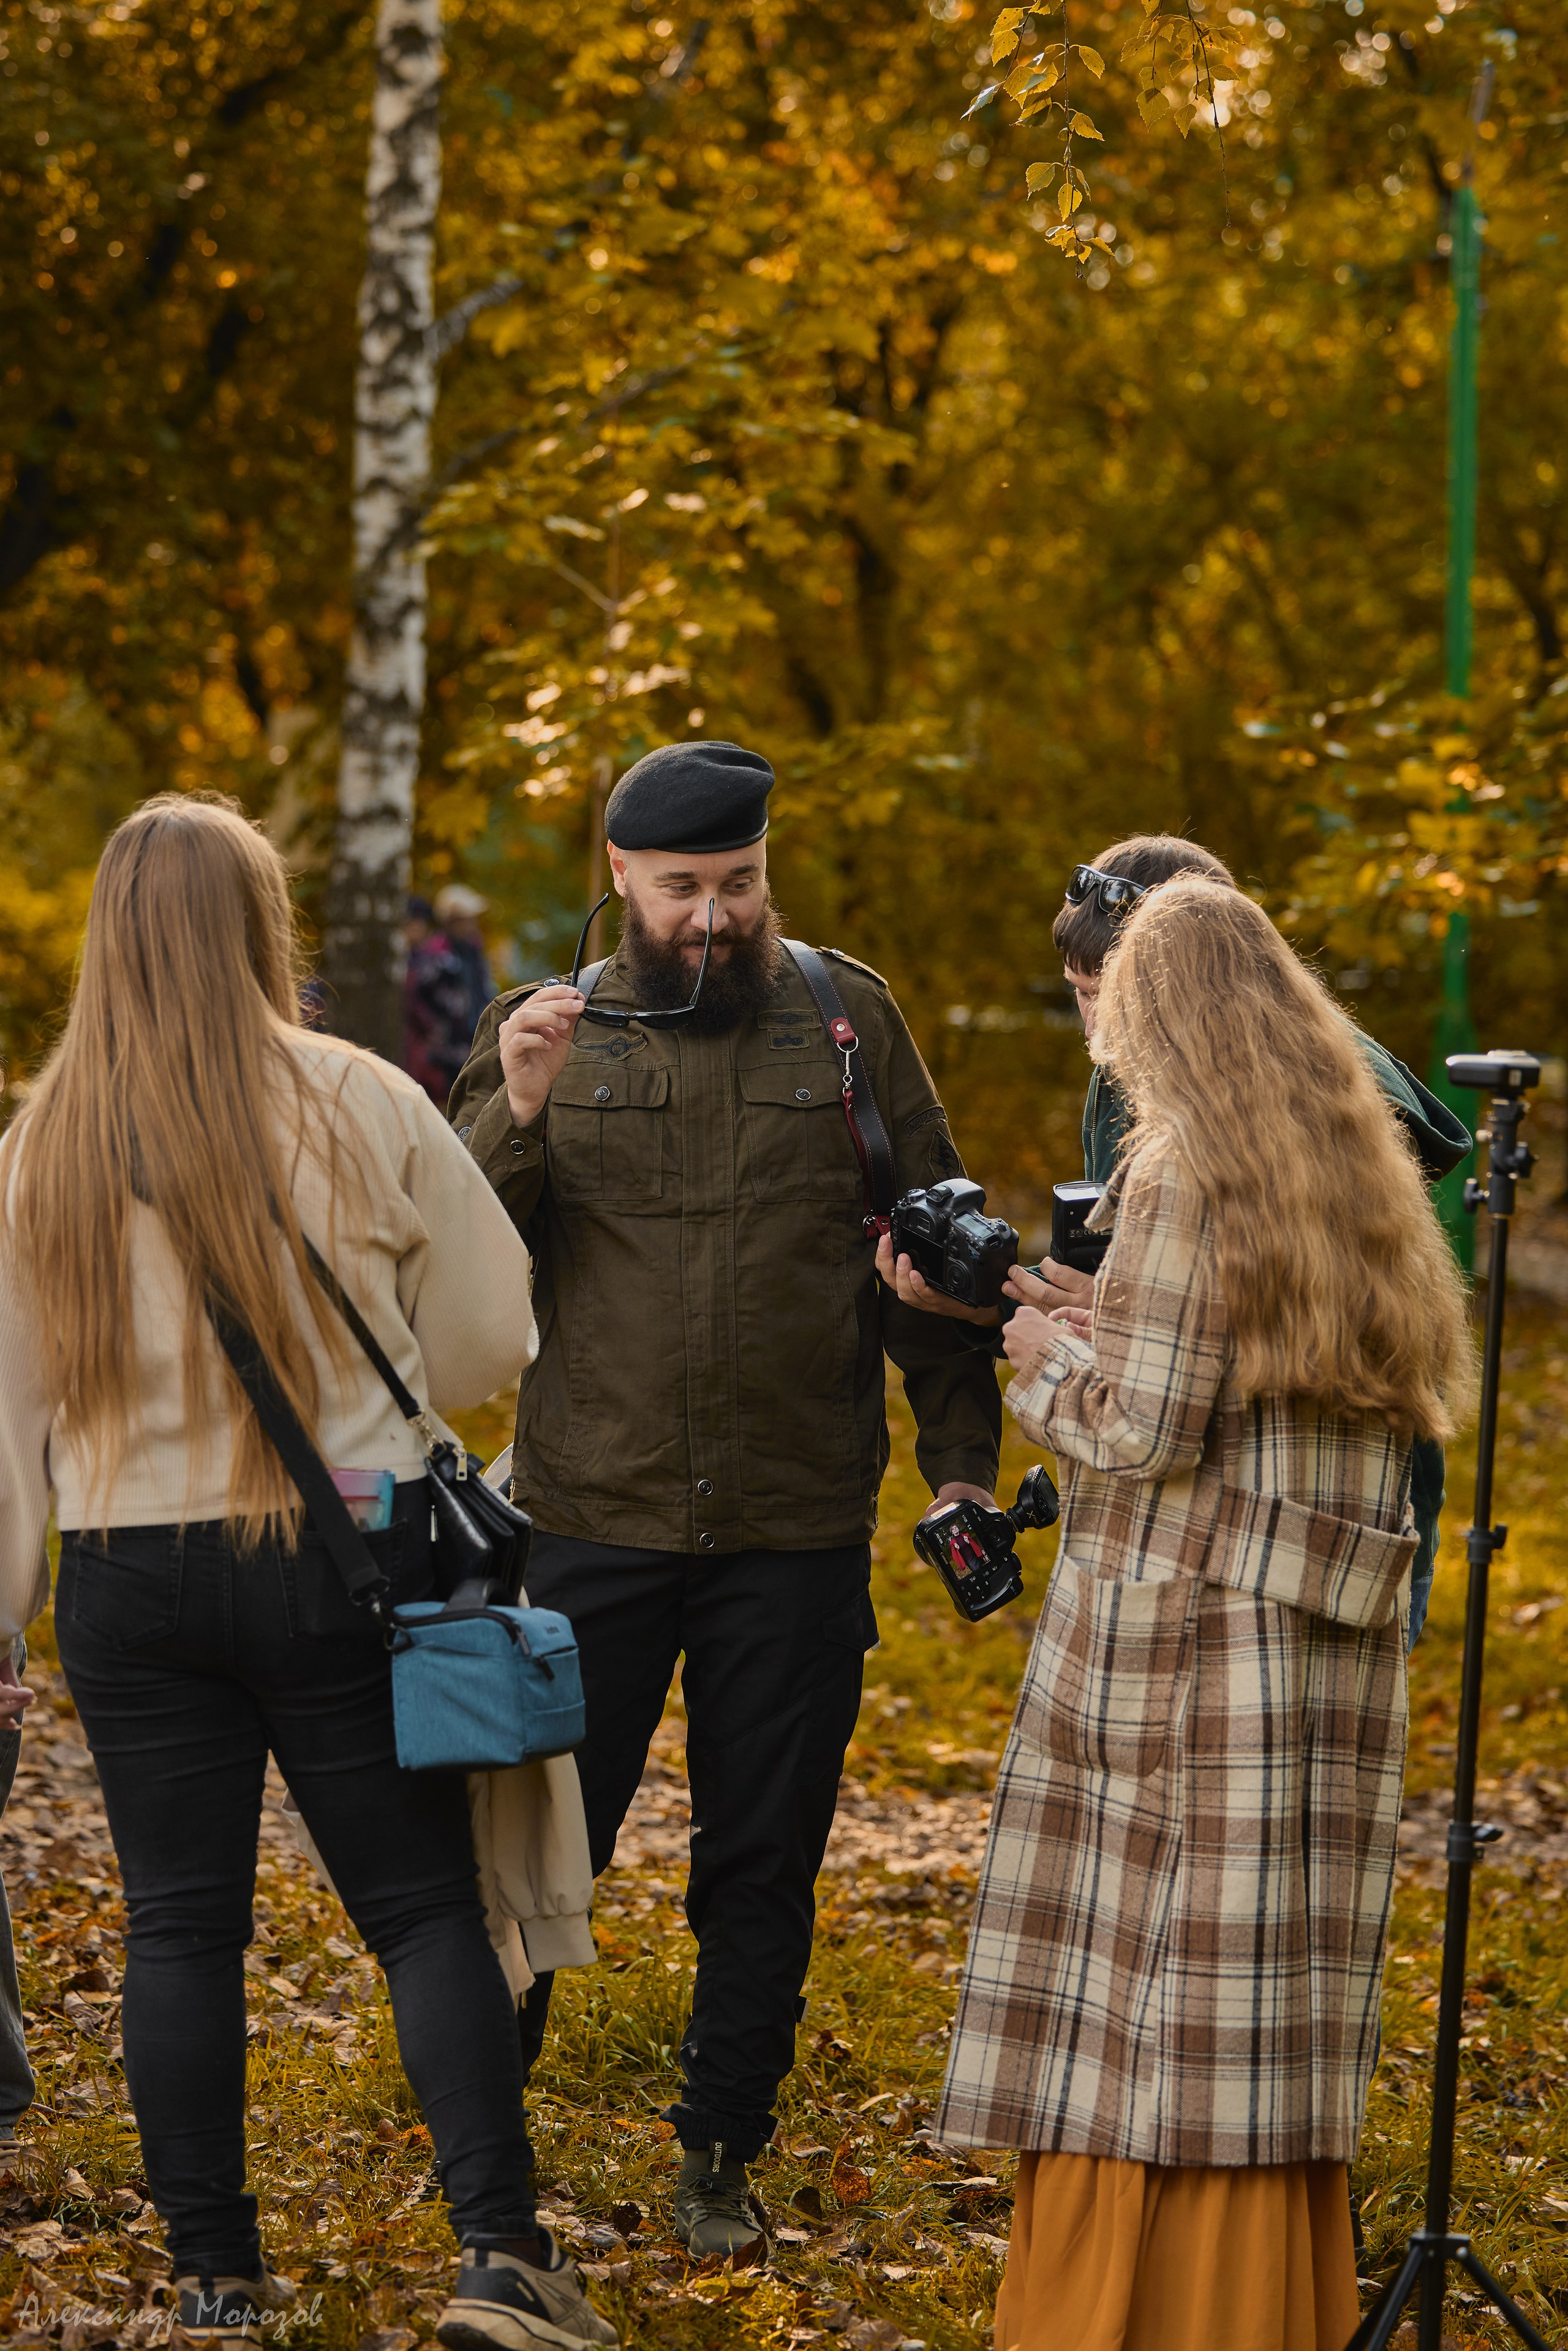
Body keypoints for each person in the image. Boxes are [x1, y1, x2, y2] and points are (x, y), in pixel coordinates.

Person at [0, 796, 615, 2351]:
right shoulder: (359, 1097)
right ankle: (498, 2261)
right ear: (260, 925)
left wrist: (8, 1612)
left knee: (177, 1927)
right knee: (419, 1907)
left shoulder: (38, 1143)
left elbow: (7, 1420)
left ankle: (215, 2283)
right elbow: (488, 1338)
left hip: (126, 1573)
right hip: (345, 1548)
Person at [448, 738, 1003, 2259]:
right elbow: (445, 1272)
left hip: (792, 1526)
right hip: (591, 1519)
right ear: (618, 876)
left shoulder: (844, 1018)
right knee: (541, 1848)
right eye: (682, 886)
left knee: (762, 1856)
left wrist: (960, 1463)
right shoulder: (538, 1033)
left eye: (738, 883)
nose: (712, 914)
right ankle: (488, 2153)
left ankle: (717, 2148)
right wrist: (517, 1109)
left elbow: (930, 1259)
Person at [905, 877, 1474, 2351]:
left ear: (1158, 1010)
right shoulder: (1344, 1163)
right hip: (1310, 1655)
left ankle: (1121, 2320)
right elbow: (1248, 1367)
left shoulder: (1174, 1171)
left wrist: (1028, 1347)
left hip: (1183, 1664)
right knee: (1258, 2023)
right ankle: (1265, 2312)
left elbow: (1140, 1430)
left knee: (1136, 2016)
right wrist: (1089, 1314)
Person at [895, 836, 1471, 1648]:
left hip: (1297, 1518)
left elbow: (1258, 1348)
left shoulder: (1317, 1099)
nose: (1094, 1022)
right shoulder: (1147, 1085)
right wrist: (997, 1306)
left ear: (1186, 982)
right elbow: (1151, 1303)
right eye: (1080, 993)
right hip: (1212, 1510)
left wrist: (1102, 1329)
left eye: (1109, 993)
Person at [403, 894, 474, 1108]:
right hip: (427, 1051)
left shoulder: (444, 958)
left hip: (442, 1052)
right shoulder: (432, 959)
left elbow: (457, 1007)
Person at [435, 884, 496, 1044]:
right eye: (466, 920)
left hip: (473, 1039)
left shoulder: (474, 952)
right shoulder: (437, 958)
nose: (473, 925)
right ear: (450, 922)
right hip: (445, 1050)